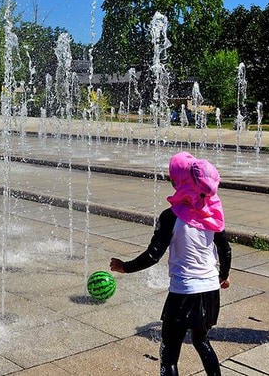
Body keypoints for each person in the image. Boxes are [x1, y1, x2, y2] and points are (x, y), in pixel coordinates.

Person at [110, 152, 231, 376]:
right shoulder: (213, 213)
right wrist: (223, 275)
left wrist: (124, 267)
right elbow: (225, 249)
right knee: (202, 342)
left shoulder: (171, 216)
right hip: (210, 290)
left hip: (185, 291)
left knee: (169, 353)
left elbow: (153, 255)